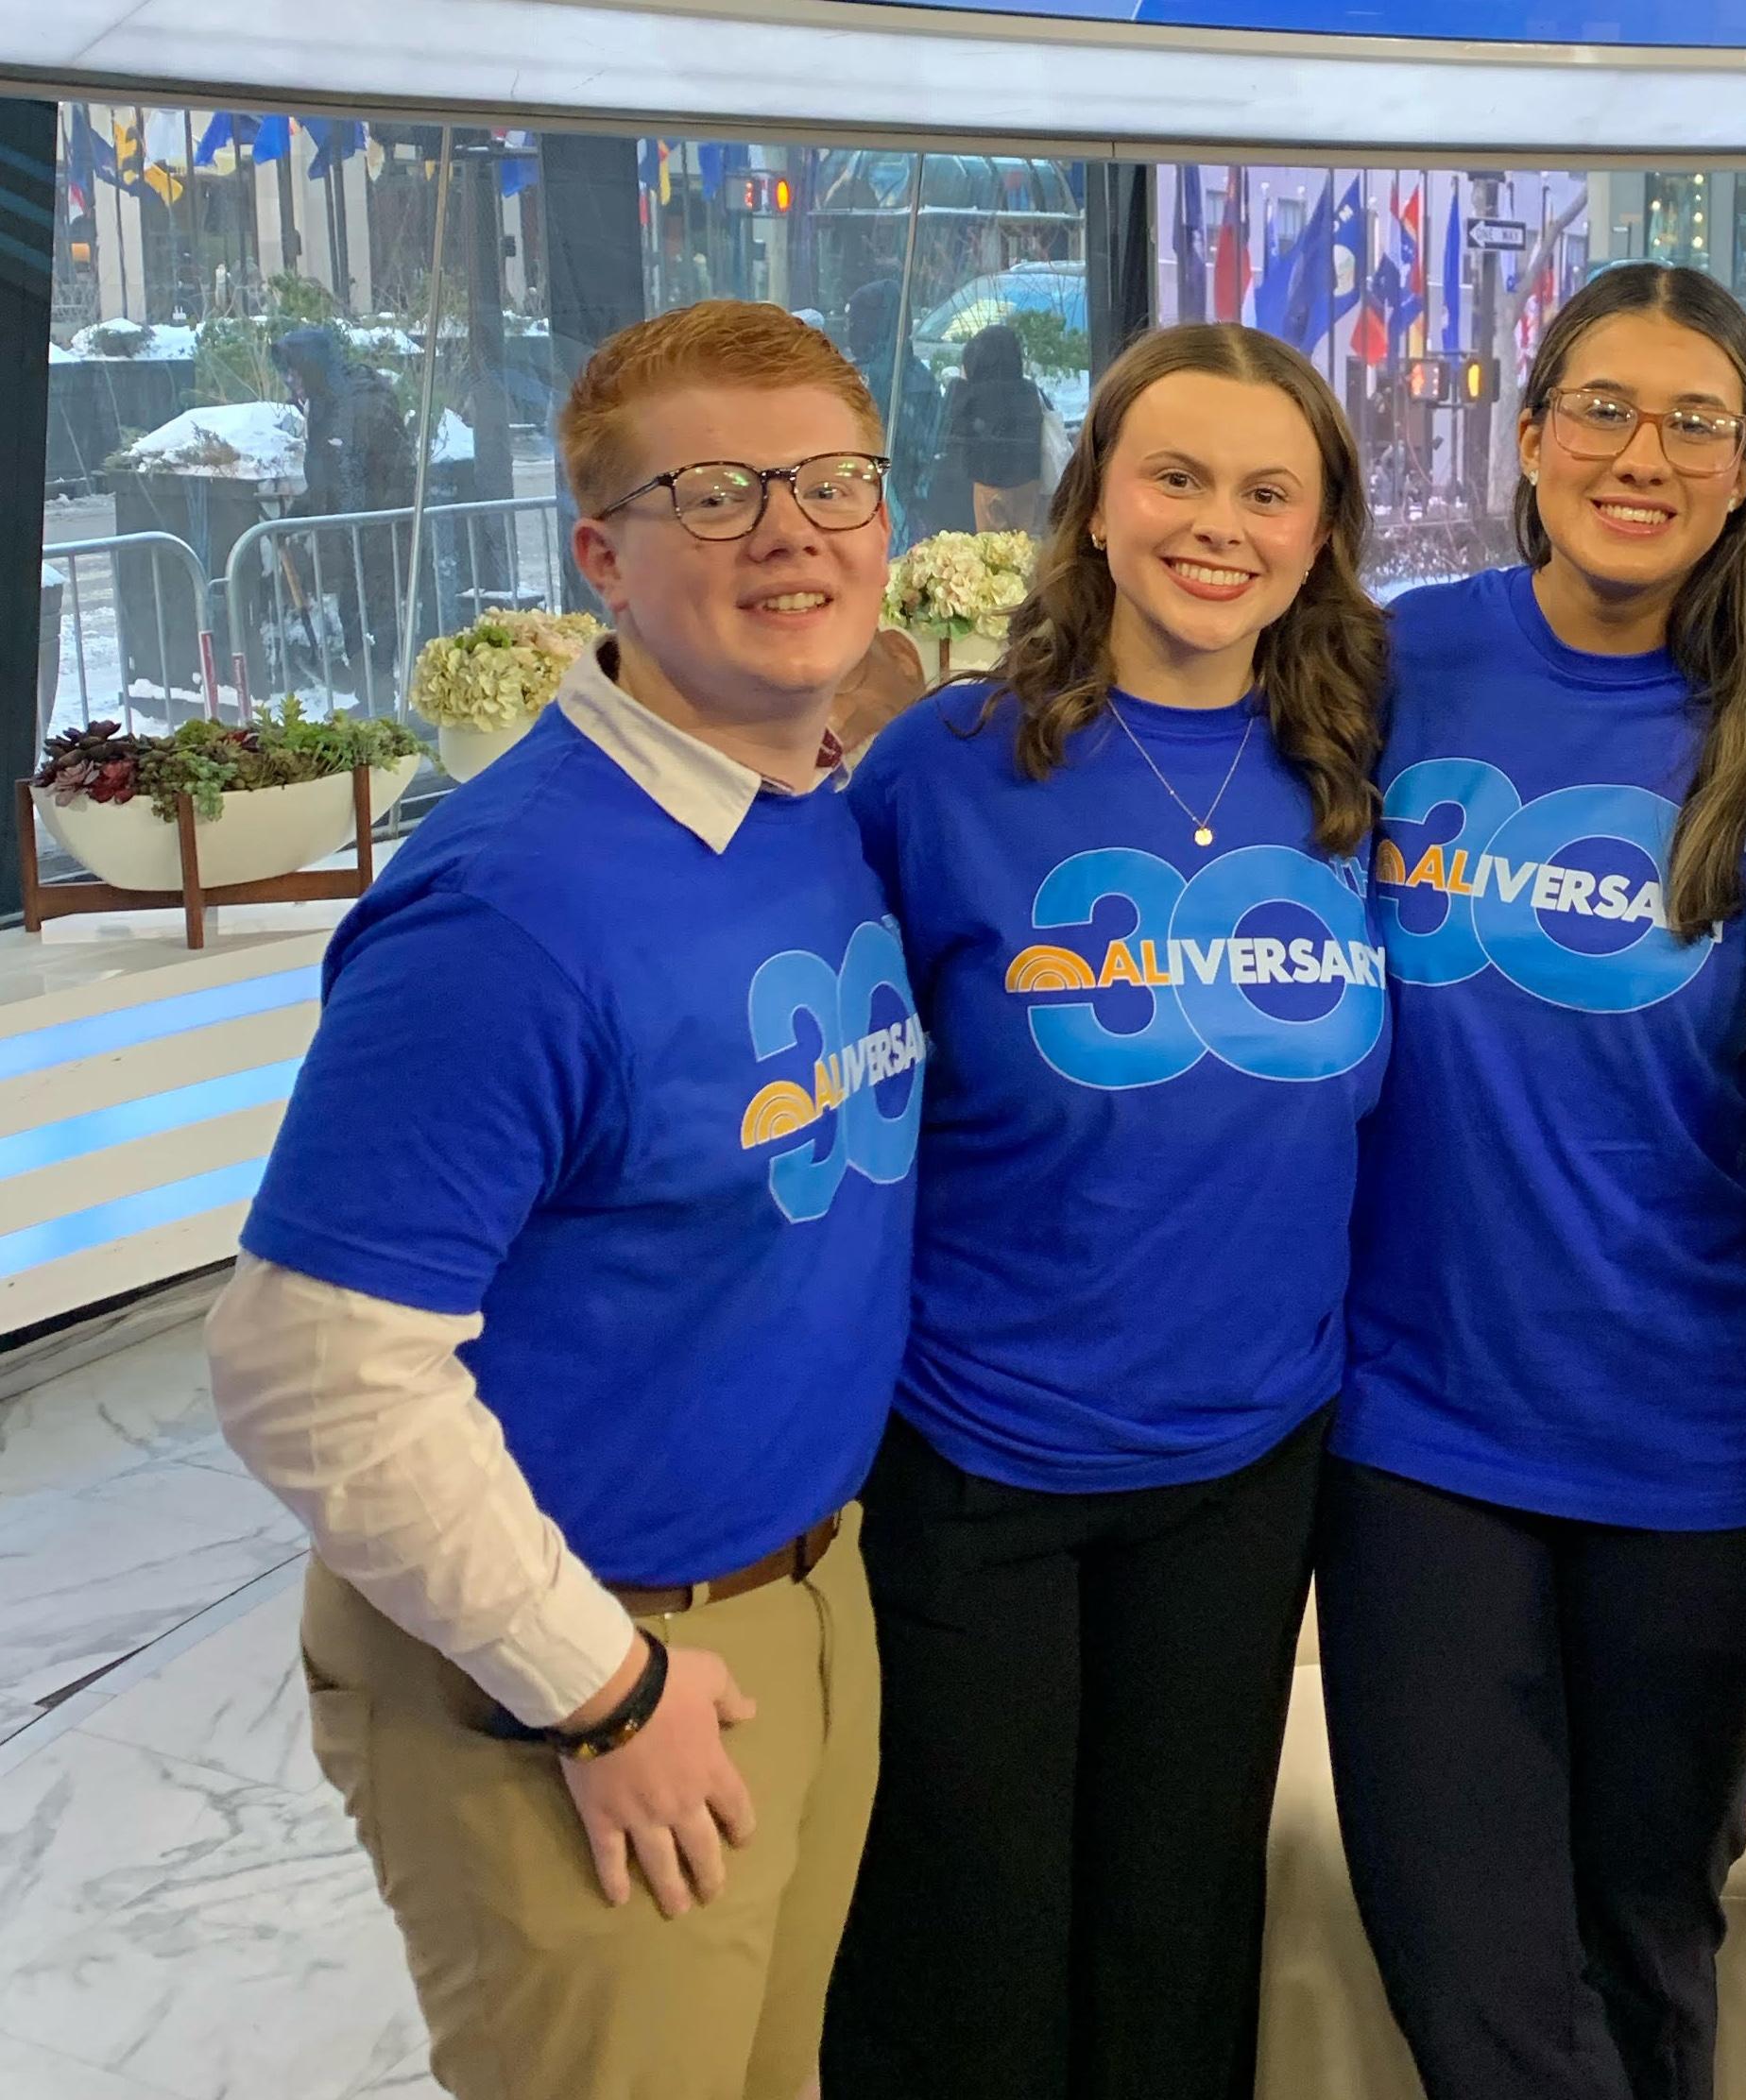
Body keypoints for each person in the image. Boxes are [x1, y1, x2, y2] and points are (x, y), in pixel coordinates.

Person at [206, 300, 920, 2100]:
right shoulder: (509, 911)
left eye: (831, 483)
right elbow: (309, 1366)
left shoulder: (805, 802)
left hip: (799, 1597)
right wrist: (596, 1686)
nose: (788, 531)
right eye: (714, 492)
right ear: (600, 557)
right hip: (578, 1669)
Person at [1322, 262, 1746, 2100]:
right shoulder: (1398, 663)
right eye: (1605, 410)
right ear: (1531, 436)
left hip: (1709, 1453)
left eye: (1693, 422)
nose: (1642, 454)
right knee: (1471, 1973)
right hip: (1420, 1436)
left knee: (1644, 1949)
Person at [822, 320, 1389, 2100]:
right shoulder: (942, 770)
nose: (1219, 523)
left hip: (1246, 1466)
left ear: (1318, 531)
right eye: (1176, 475)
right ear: (1094, 498)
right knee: (970, 1964)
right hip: (977, 1461)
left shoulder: (1354, 765)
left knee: (1177, 1951)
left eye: (1267, 491)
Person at [270, 325, 407, 691]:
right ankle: (370, 694)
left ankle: (381, 691)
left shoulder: (363, 403)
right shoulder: (325, 405)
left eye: (296, 374)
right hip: (351, 533)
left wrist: (374, 525)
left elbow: (389, 472)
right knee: (353, 609)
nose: (291, 382)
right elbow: (327, 478)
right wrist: (295, 516)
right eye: (287, 375)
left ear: (312, 367)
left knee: (376, 612)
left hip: (379, 530)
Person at [846, 276, 943, 547]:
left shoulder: (868, 380)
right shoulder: (919, 377)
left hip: (893, 501)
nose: (850, 330)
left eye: (857, 321)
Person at [931, 319, 1051, 534]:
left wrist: (961, 382)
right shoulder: (1030, 391)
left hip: (984, 487)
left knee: (989, 547)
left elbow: (945, 433)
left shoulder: (968, 394)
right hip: (1027, 486)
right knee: (1022, 546)